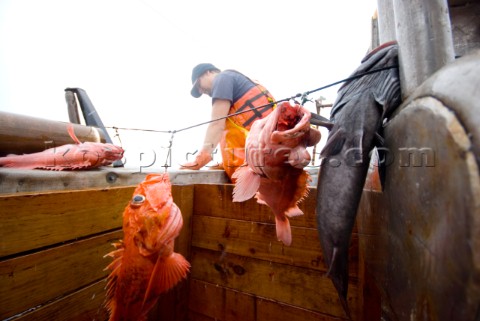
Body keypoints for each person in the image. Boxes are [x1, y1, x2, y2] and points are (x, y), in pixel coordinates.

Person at [180, 63, 276, 181]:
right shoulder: (235, 80)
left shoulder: (222, 79)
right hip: (266, 157)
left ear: (208, 72)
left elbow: (216, 124)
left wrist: (201, 158)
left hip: (259, 164)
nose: (201, 91)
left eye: (198, 84)